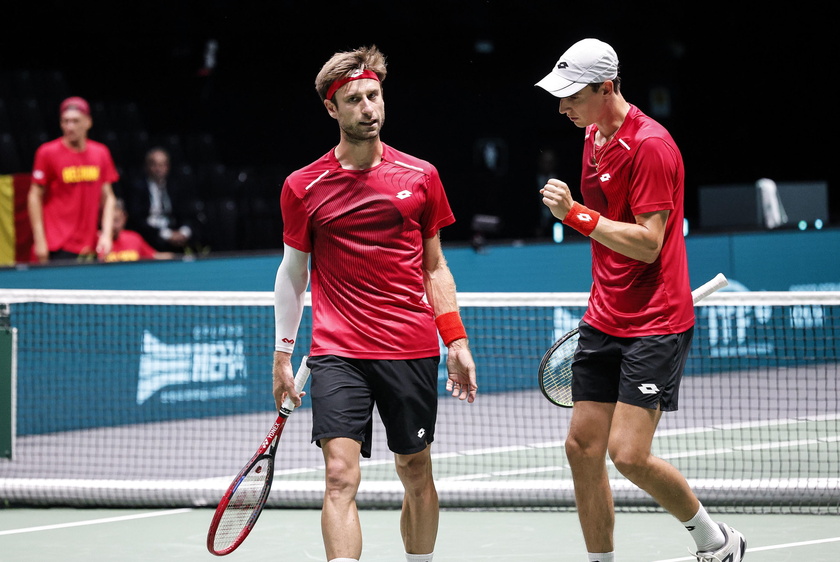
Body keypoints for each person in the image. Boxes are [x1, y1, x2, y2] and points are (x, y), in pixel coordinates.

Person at [535, 39, 746, 561]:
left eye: (572, 96)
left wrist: (577, 215)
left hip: (655, 321)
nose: (563, 106)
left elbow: (650, 242)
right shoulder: (593, 136)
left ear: (606, 87)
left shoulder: (651, 146)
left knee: (628, 455)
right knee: (581, 449)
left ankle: (715, 542)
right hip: (604, 314)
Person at [272, 45, 477, 562]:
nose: (368, 107)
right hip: (337, 351)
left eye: (373, 95)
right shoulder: (303, 186)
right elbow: (293, 273)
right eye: (354, 99)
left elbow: (435, 268)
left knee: (415, 470)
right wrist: (282, 353)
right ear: (331, 108)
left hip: (408, 346)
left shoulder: (421, 176)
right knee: (340, 476)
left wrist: (455, 339)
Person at [27, 96, 118, 263]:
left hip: (89, 245)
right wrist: (40, 240)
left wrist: (106, 235)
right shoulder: (47, 152)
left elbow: (109, 197)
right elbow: (34, 196)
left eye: (75, 121)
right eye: (65, 121)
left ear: (88, 122)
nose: (69, 127)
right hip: (57, 243)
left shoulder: (101, 153)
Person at [125, 147, 200, 253]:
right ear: (147, 167)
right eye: (154, 165)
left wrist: (183, 232)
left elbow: (187, 213)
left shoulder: (176, 186)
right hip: (151, 234)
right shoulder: (137, 187)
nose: (158, 169)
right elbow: (137, 219)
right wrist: (165, 234)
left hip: (175, 230)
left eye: (162, 165)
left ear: (168, 167)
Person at [98, 198, 174, 262]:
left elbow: (155, 256)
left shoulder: (134, 238)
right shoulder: (96, 240)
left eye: (116, 221)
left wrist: (177, 258)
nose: (112, 226)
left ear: (124, 218)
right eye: (109, 221)